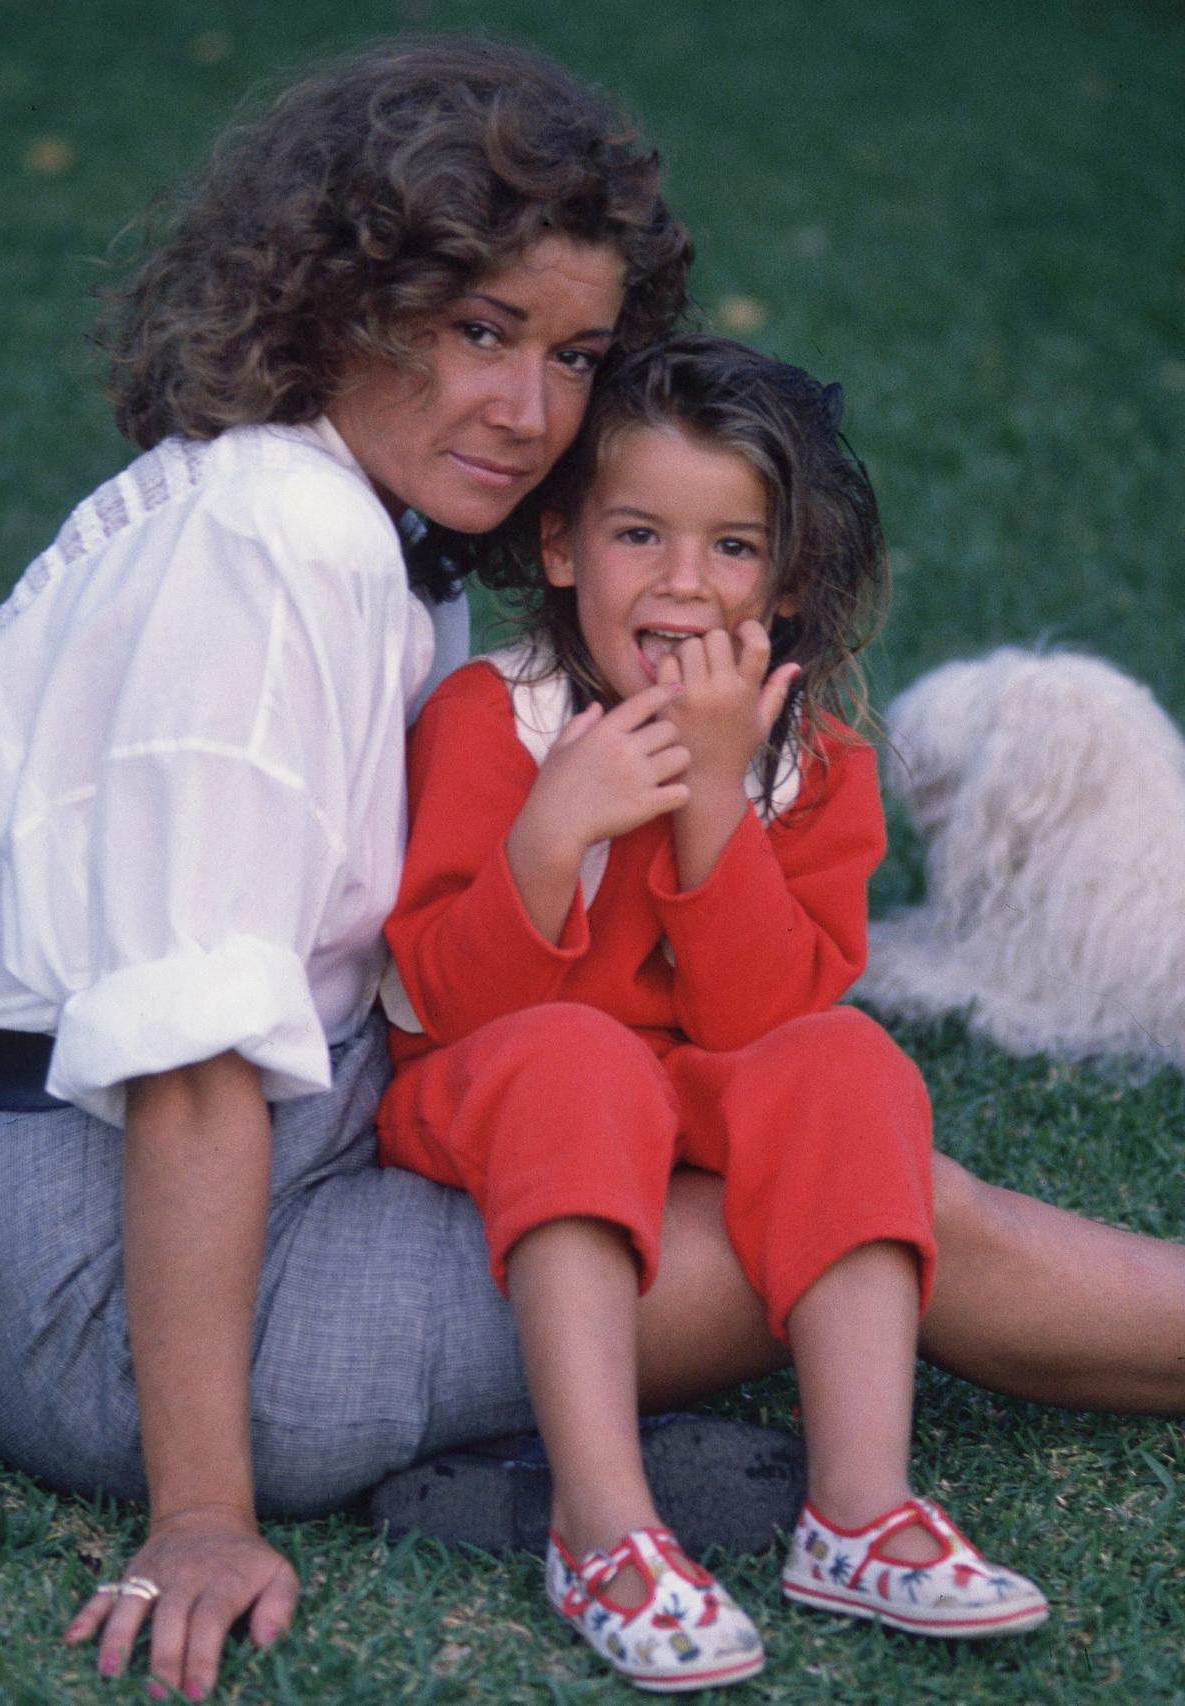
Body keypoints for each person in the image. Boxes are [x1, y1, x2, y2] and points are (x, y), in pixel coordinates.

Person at [0, 29, 1182, 1706]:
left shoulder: (363, 528)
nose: (528, 413)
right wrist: (202, 1508)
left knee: (824, 1134)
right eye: (477, 333)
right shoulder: (264, 543)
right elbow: (197, 1046)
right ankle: (628, 1504)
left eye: (575, 355)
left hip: (274, 1156)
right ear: (338, 298)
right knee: (861, 1207)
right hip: (100, 1299)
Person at [377, 337, 1048, 1689]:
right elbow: (445, 1003)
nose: (684, 582)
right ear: (562, 545)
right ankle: (603, 1521)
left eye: (733, 545)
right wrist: (548, 838)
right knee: (575, 1056)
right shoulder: (491, 720)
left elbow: (762, 1021)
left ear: (788, 577)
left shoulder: (813, 766)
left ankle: (858, 1509)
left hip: (690, 1087)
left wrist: (712, 803)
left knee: (850, 1060)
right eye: (640, 532)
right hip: (495, 1086)